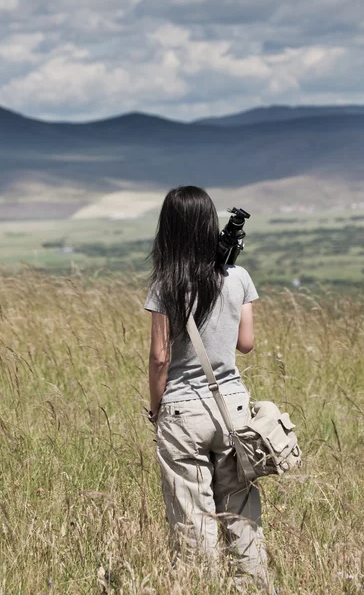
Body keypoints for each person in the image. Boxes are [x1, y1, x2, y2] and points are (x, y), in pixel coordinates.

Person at [144, 186, 271, 590]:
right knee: (241, 513)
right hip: (232, 406)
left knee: (192, 519)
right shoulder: (238, 277)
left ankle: (203, 586)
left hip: (182, 409)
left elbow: (160, 357)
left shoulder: (167, 283)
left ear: (170, 229)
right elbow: (246, 344)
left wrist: (155, 406)